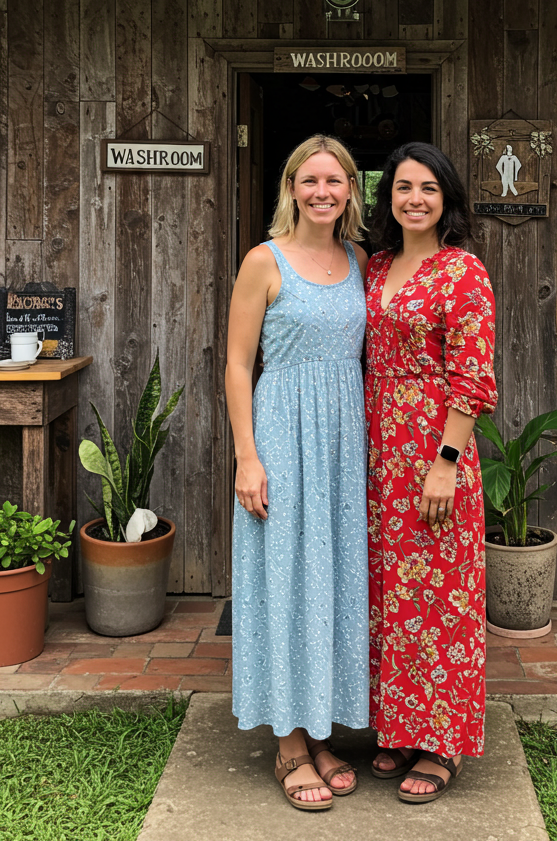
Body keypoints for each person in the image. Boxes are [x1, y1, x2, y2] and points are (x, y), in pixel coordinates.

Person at [225, 134, 370, 812]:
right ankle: (286, 741)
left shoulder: (359, 259)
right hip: (282, 434)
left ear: (350, 190)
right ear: (290, 188)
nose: (322, 192)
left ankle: (319, 729)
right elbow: (235, 363)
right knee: (283, 579)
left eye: (334, 180)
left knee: (332, 580)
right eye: (309, 180)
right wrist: (246, 456)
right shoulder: (264, 261)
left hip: (343, 442)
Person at [363, 141, 497, 804]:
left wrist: (445, 462)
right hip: (376, 452)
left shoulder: (462, 271)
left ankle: (441, 741)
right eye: (402, 187)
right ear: (388, 196)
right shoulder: (375, 266)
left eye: (428, 189)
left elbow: (472, 379)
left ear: (447, 200)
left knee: (440, 594)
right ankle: (398, 723)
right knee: (389, 593)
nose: (414, 198)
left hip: (433, 451)